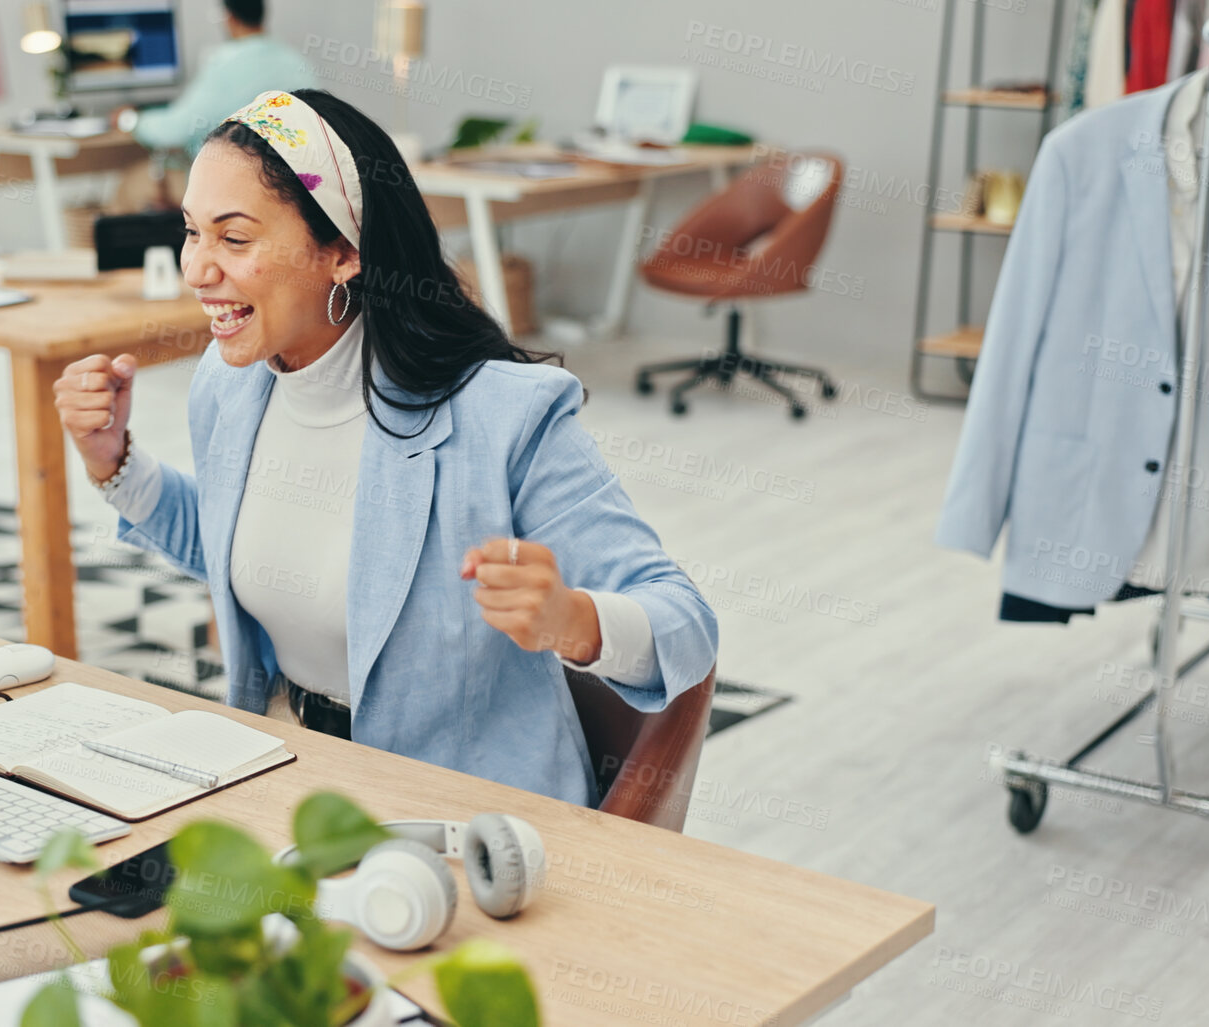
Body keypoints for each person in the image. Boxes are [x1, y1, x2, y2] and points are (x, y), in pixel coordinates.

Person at [54, 89, 717, 806]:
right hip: (285, 767)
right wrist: (114, 461)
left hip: (462, 811)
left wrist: (575, 621)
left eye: (234, 239)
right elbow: (231, 542)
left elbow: (685, 623)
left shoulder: (504, 415)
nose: (196, 270)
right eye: (191, 232)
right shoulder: (230, 383)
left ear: (342, 251)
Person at [114, 0, 315, 156]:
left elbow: (178, 129)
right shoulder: (295, 60)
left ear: (229, 18)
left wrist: (131, 121)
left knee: (130, 187)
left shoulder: (226, 63)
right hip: (290, 183)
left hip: (236, 181)